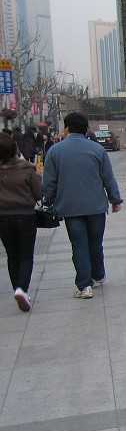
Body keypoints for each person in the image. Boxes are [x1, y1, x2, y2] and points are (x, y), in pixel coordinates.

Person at [42, 112, 123, 299]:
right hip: (96, 206)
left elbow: (49, 183)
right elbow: (107, 178)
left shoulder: (55, 151)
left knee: (79, 245)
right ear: (86, 128)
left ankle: (84, 285)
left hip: (70, 208)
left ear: (67, 128)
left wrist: (50, 200)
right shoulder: (97, 150)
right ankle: (98, 275)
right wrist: (115, 200)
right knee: (96, 243)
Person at [0, 131, 42, 311]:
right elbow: (38, 194)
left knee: (12, 255)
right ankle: (22, 289)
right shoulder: (26, 168)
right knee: (26, 255)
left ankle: (18, 288)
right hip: (25, 216)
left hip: (2, 217)